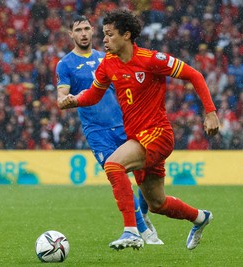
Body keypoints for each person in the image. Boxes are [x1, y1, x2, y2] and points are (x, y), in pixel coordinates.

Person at [58, 9, 220, 250]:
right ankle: (200, 217)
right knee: (157, 203)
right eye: (103, 34)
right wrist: (75, 100)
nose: (103, 40)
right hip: (137, 137)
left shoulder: (152, 59)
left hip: (158, 134)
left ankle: (131, 231)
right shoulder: (109, 64)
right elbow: (94, 94)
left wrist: (210, 112)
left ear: (126, 35)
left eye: (109, 35)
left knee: (114, 165)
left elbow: (194, 75)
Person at [56, 15, 163, 249]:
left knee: (145, 176)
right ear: (71, 35)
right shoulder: (65, 65)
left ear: (92, 31)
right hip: (97, 132)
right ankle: (141, 231)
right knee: (119, 177)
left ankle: (142, 216)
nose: (84, 33)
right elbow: (62, 96)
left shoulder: (107, 58)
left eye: (87, 29)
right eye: (78, 30)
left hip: (124, 125)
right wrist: (66, 100)